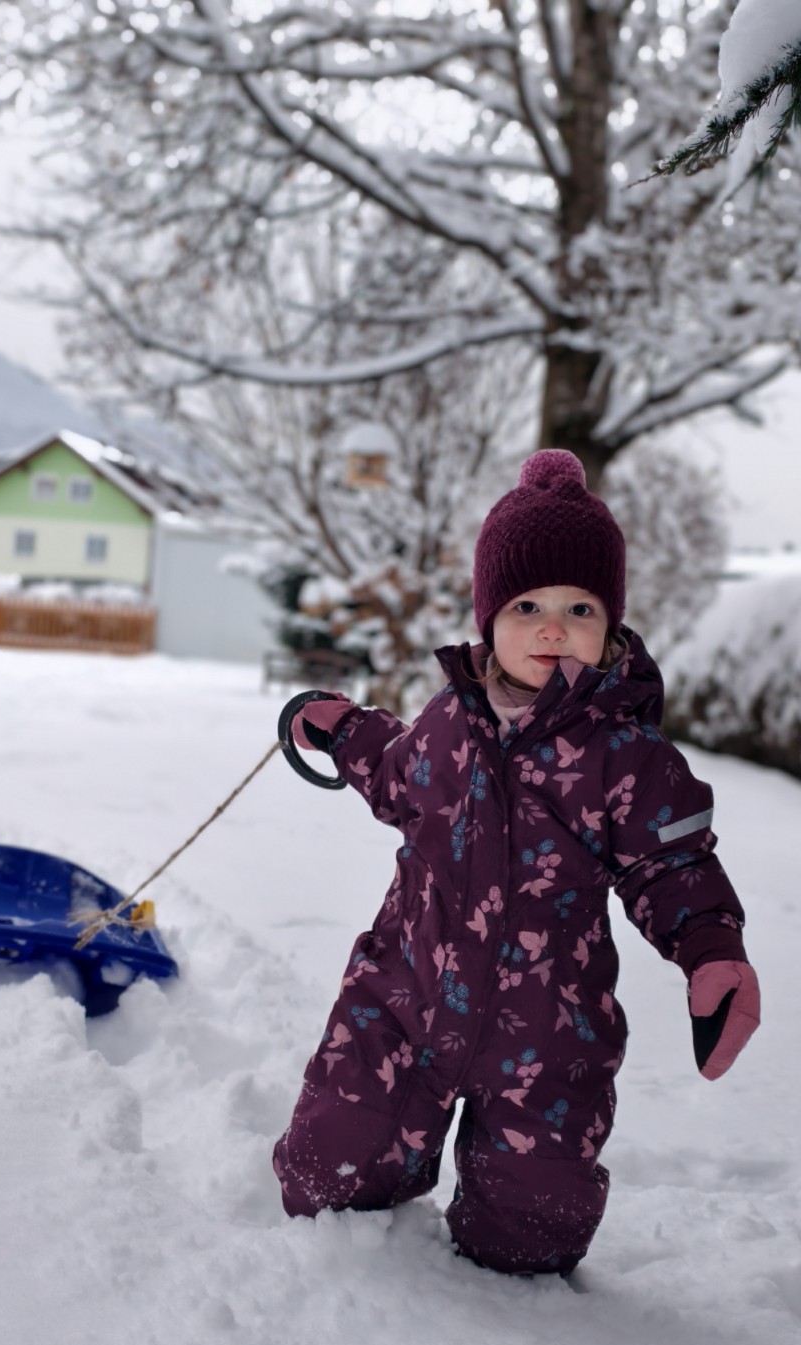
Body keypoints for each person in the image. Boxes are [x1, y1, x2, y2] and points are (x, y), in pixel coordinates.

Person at [272, 449, 760, 1276]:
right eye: (527, 604)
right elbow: (396, 772)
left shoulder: (626, 757)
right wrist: (340, 728)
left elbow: (672, 866)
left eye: (580, 608)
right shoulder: (448, 723)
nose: (552, 628)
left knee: (531, 1237)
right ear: (488, 617)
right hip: (405, 995)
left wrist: (712, 953)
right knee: (328, 1171)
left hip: (549, 1030)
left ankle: (513, 1262)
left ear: (610, 627)